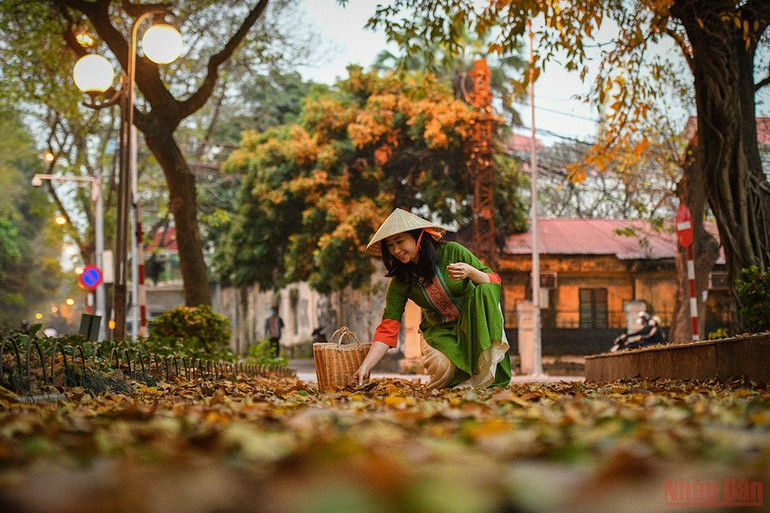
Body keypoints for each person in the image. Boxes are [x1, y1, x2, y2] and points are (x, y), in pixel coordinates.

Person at [352, 208, 512, 389]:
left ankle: (482, 379)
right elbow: (388, 327)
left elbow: (494, 282)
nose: (395, 250)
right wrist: (366, 366)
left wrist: (471, 272)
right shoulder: (400, 282)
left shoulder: (453, 252)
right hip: (440, 334)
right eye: (389, 245)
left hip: (476, 327)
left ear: (418, 236)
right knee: (441, 365)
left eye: (399, 241)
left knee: (484, 290)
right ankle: (459, 382)